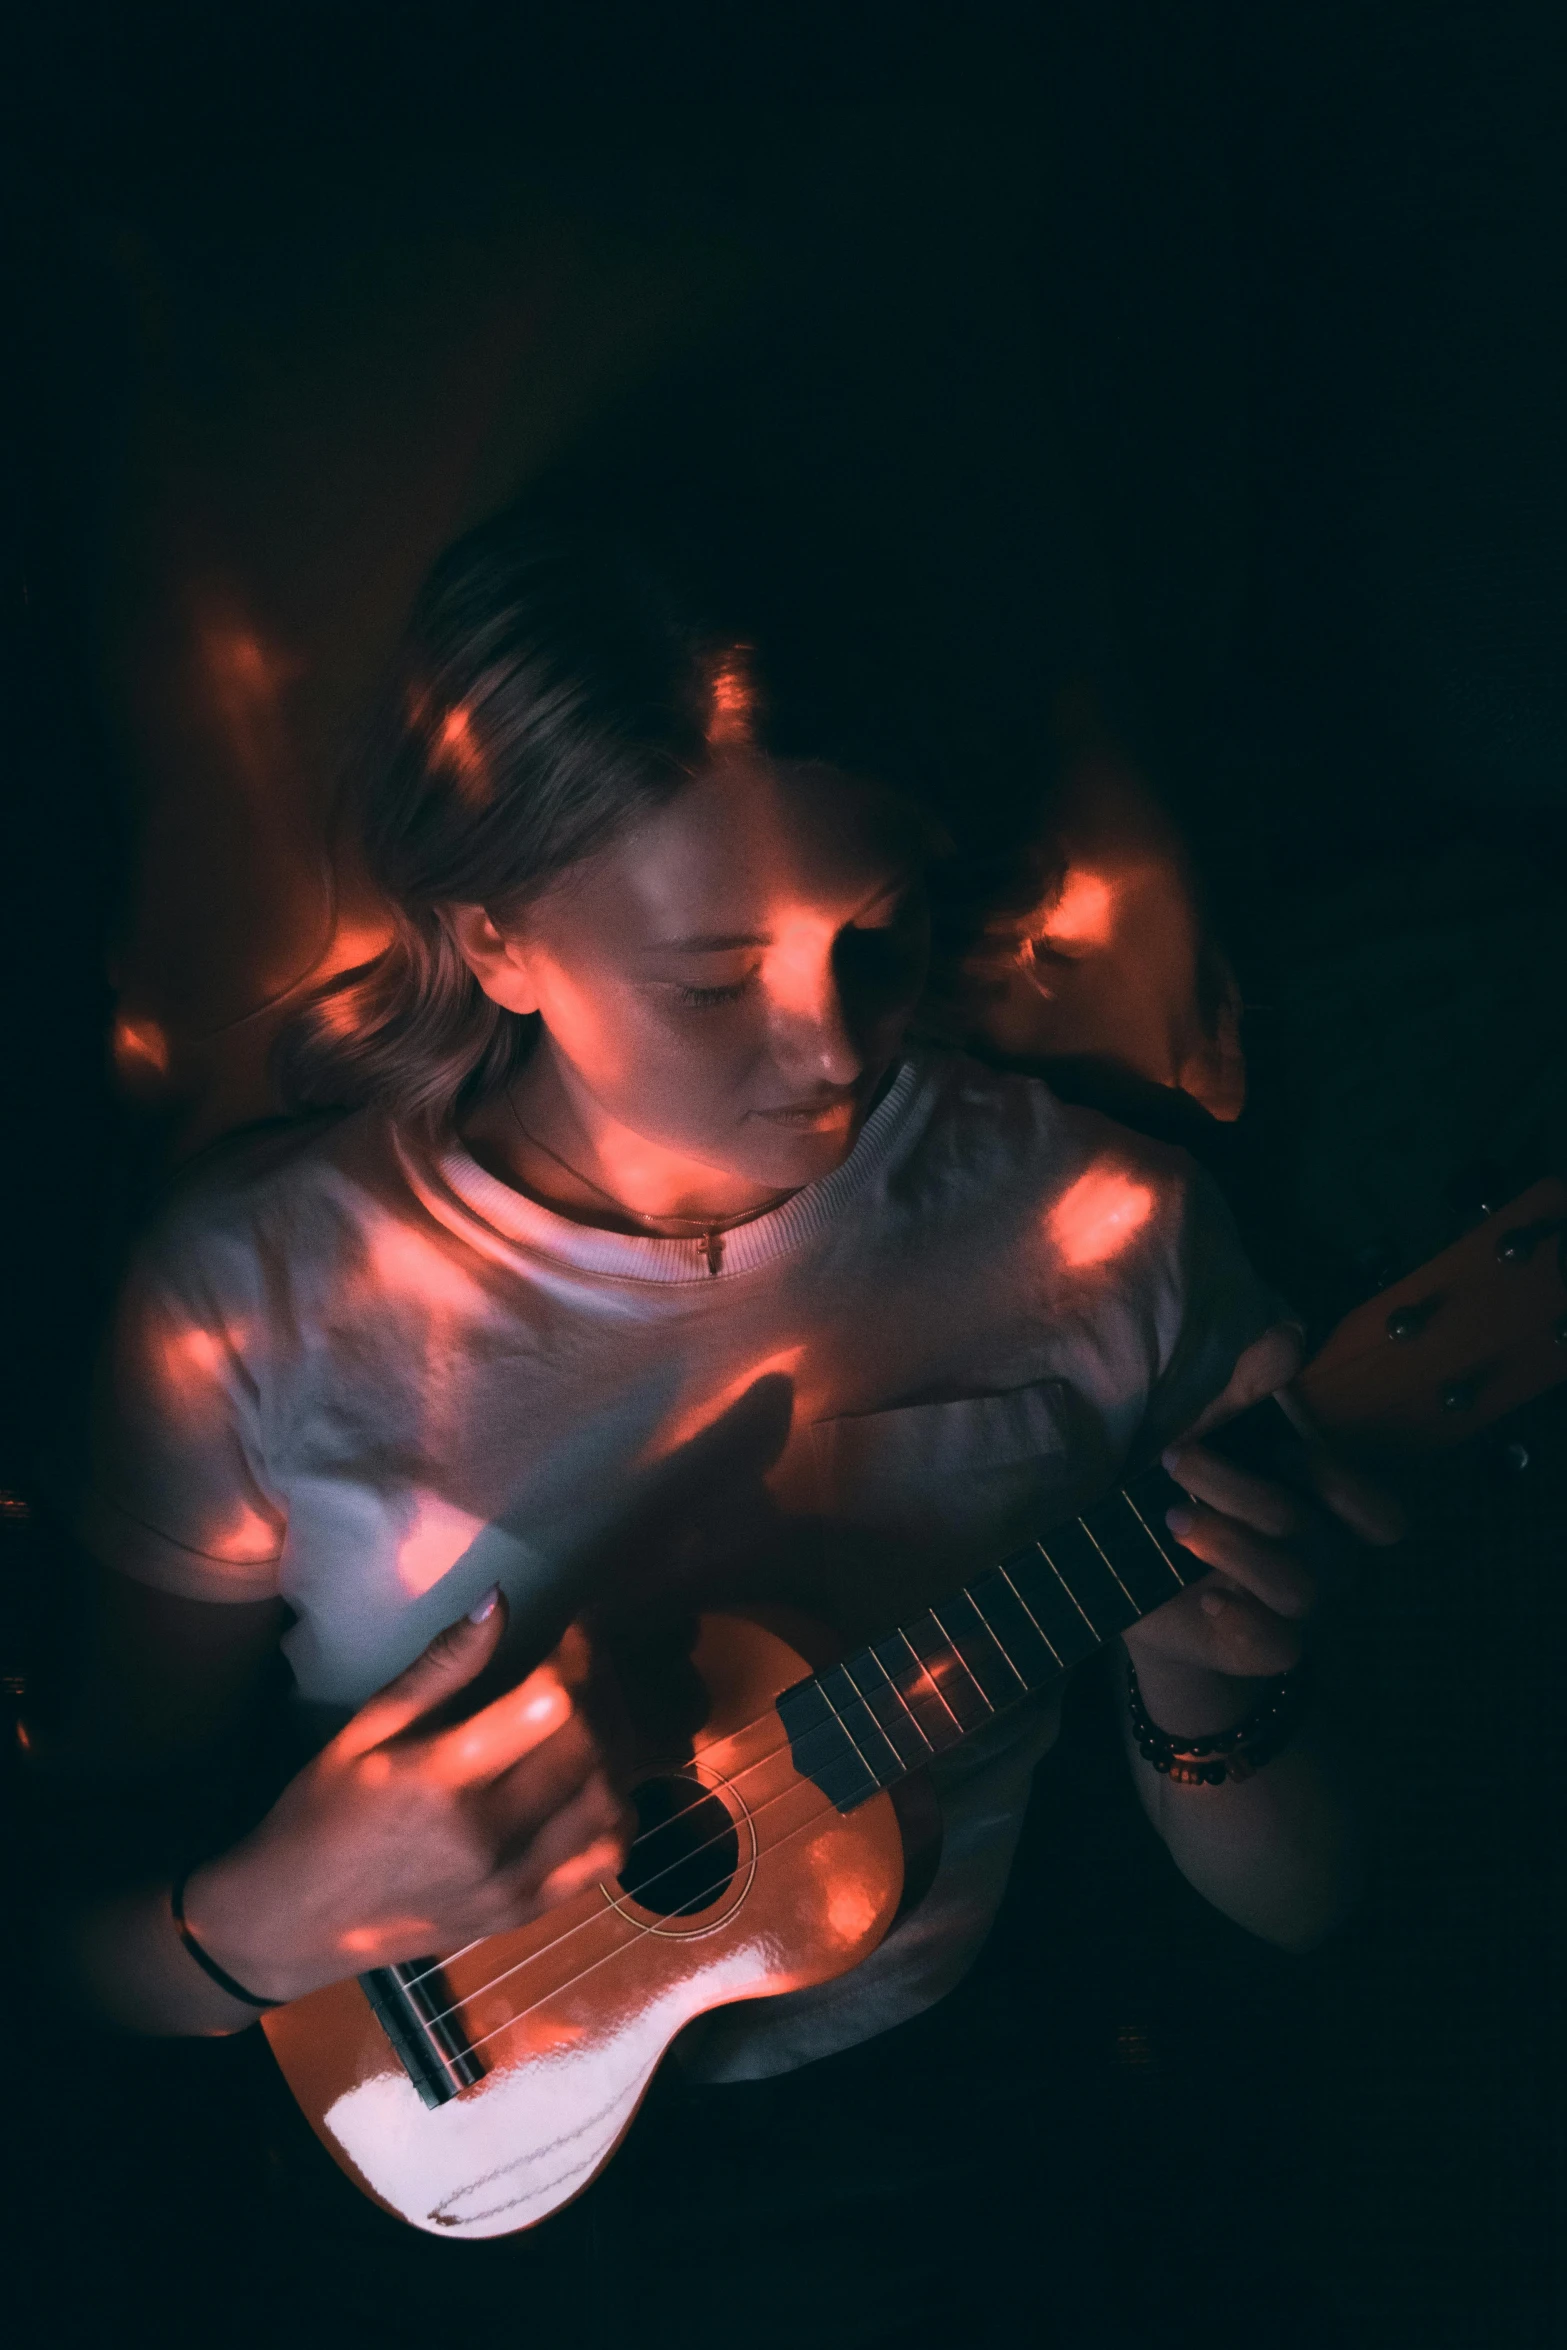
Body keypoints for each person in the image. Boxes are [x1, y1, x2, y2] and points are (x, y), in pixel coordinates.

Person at [42, 510, 1395, 2345]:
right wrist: (261, 1924)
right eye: (710, 977)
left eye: (878, 943)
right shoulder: (258, 1289)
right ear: (497, 938)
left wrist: (1213, 1696)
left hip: (913, 2154)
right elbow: (58, 1921)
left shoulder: (1102, 1234)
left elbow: (1310, 1904)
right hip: (387, 2149)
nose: (830, 1048)